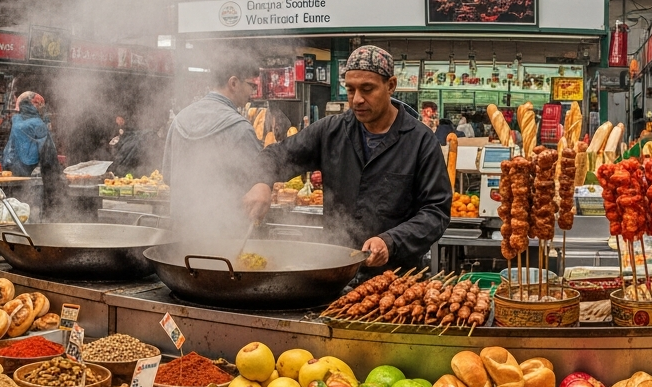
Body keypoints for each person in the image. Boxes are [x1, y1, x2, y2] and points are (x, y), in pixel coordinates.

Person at [245, 45, 451, 274]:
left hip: (396, 280)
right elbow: (278, 155)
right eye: (351, 90)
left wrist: (391, 241)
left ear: (391, 85)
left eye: (367, 89)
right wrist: (262, 182)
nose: (357, 100)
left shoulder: (421, 141)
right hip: (334, 272)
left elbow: (435, 212)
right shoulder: (330, 132)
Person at [161, 63, 263, 241]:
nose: (252, 93)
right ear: (234, 83)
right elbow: (257, 187)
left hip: (181, 234)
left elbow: (168, 177)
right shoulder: (240, 128)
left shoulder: (179, 120)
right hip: (225, 237)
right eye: (251, 85)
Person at [2, 92, 50, 177]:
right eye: (37, 103)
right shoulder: (36, 123)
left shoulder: (16, 122)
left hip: (17, 170)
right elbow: (46, 154)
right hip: (23, 171)